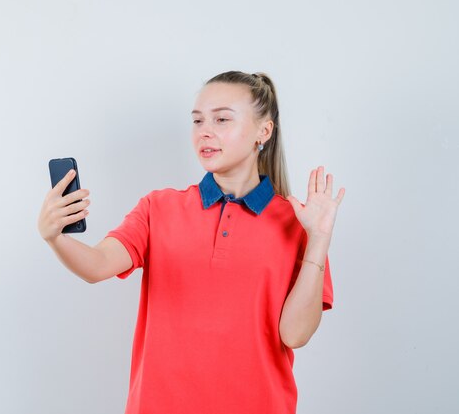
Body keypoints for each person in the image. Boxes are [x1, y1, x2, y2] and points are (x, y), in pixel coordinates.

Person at [37, 70, 345, 414]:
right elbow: (97, 266)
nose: (205, 131)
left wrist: (318, 239)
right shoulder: (159, 208)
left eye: (222, 119)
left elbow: (295, 335)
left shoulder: (297, 222)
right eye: (197, 121)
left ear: (264, 131)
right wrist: (54, 238)